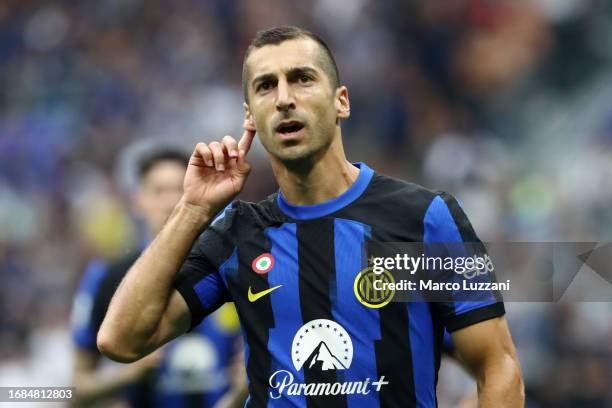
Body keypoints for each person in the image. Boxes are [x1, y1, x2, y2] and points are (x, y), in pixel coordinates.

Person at [97, 26, 524, 407]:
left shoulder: (423, 218)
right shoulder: (239, 235)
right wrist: (192, 210)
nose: (284, 99)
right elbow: (122, 339)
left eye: (302, 79)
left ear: (341, 102)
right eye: (266, 86)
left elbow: (497, 368)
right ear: (251, 117)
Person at [71, 147, 243, 407]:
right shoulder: (108, 277)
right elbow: (71, 392)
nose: (170, 201)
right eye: (159, 191)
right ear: (138, 201)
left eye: (179, 189)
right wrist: (127, 374)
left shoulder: (236, 269)